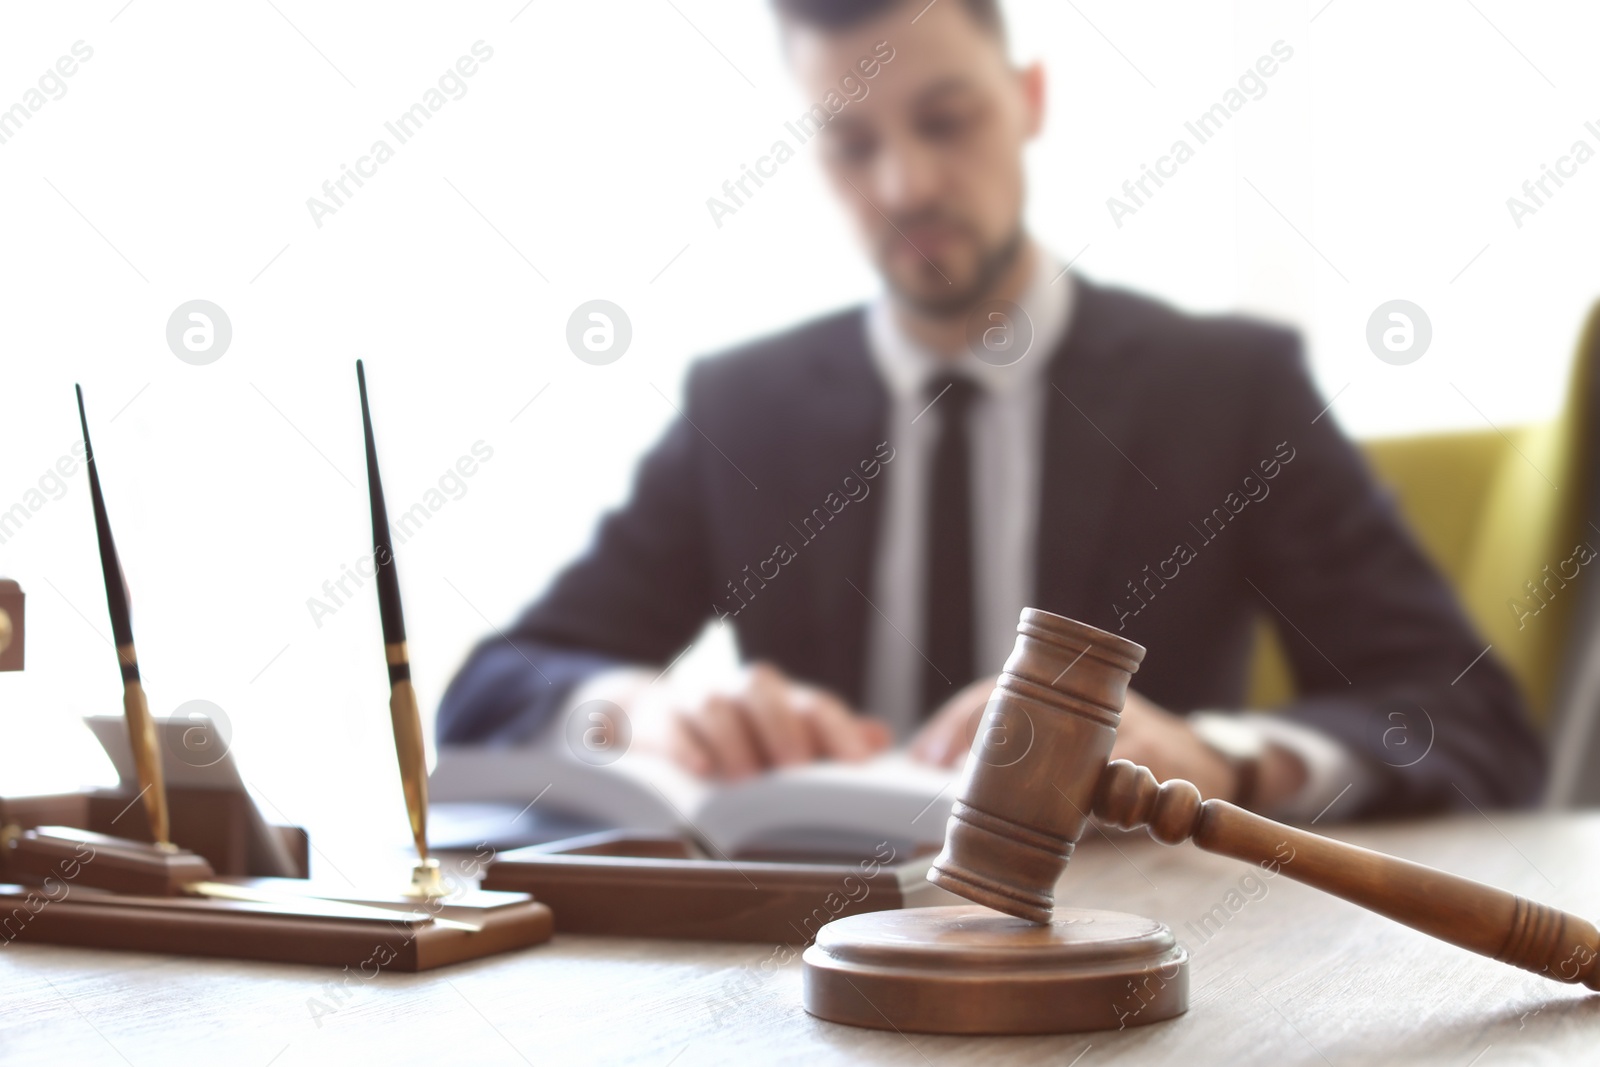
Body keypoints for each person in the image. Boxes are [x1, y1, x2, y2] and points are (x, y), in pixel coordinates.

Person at [437, 0, 1544, 819]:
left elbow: (1471, 723)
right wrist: (637, 710)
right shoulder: (744, 405)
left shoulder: (1228, 388)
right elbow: (492, 686)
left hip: (1142, 962)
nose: (904, 186)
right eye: (850, 144)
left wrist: (1221, 761)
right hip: (807, 982)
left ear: (1029, 102)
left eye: (945, 119)